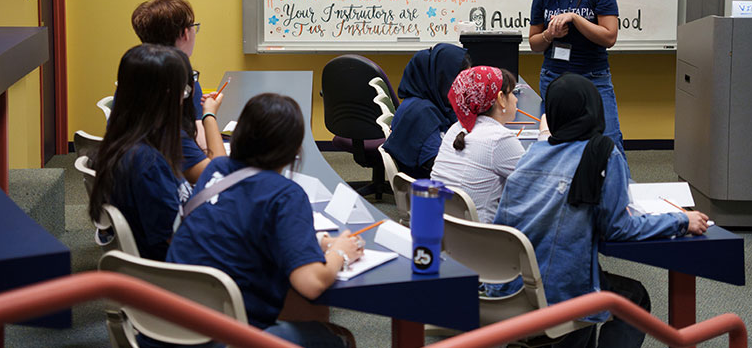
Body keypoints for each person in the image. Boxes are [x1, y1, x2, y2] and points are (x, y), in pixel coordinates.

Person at [491, 73, 709, 348]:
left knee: (589, 283)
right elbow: (618, 228)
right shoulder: (603, 154)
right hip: (561, 293)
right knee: (633, 297)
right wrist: (680, 220)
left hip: (510, 291)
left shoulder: (532, 153)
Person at [166, 93, 363, 348]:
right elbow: (311, 283)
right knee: (337, 337)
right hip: (226, 337)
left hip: (168, 323)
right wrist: (340, 253)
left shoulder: (216, 171)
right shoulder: (285, 195)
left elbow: (239, 225)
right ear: (293, 150)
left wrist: (317, 241)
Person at [88, 44, 223, 261]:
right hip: (185, 270)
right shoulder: (147, 164)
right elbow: (179, 241)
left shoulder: (128, 139)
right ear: (167, 96)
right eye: (185, 91)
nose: (184, 98)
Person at [527, 0, 626, 157]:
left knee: (608, 142)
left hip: (594, 77)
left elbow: (609, 37)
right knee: (553, 142)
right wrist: (550, 35)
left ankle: (618, 189)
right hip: (554, 77)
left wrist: (574, 18)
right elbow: (534, 43)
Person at [131, 0, 225, 183]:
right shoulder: (167, 130)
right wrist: (210, 115)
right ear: (185, 33)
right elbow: (218, 175)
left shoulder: (134, 77)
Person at [431, 66, 525, 223]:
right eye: (512, 93)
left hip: (443, 229)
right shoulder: (499, 139)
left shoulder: (456, 129)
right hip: (481, 237)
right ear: (501, 98)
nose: (516, 99)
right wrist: (545, 137)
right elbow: (538, 182)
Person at [383, 43, 470, 179]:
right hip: (435, 188)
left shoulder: (429, 103)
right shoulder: (422, 115)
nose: (465, 87)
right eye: (461, 80)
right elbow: (438, 166)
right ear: (443, 79)